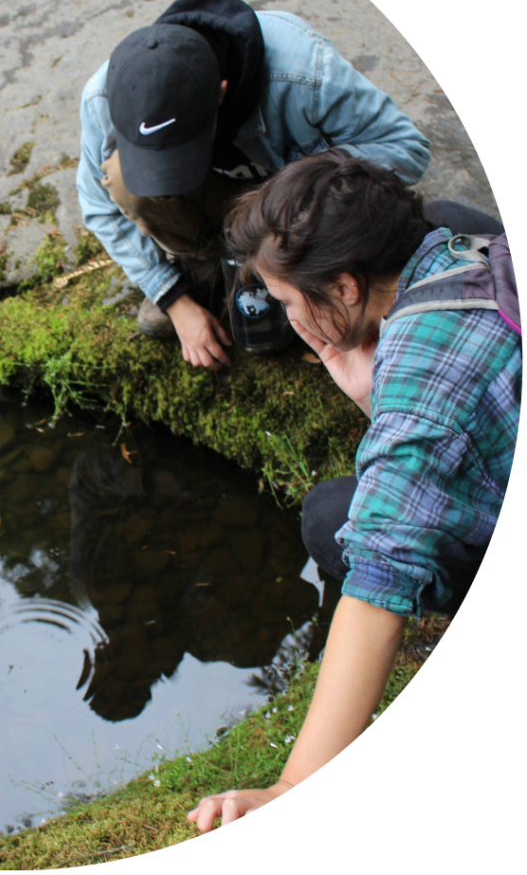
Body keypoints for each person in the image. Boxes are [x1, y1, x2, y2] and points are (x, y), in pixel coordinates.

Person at [186, 148, 519, 831]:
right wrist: (379, 397)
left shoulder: (425, 390)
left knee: (330, 516)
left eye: (285, 301)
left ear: (344, 287)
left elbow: (377, 585)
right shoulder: (466, 247)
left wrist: (290, 785)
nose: (286, 319)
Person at [76, 0, 432, 369]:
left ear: (221, 94)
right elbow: (97, 207)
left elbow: (406, 148)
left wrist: (300, 183)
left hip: (290, 203)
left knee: (307, 248)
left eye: (185, 149)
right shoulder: (104, 96)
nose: (174, 169)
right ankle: (207, 271)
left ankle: (289, 275)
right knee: (124, 182)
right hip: (220, 203)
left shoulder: (302, 71)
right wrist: (174, 300)